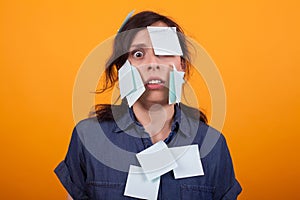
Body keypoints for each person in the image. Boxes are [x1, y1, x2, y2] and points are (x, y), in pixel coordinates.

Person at [54, 10, 242, 200]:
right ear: (122, 69)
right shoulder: (89, 138)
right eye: (138, 54)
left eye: (165, 52)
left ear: (182, 65)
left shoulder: (213, 145)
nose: (152, 64)